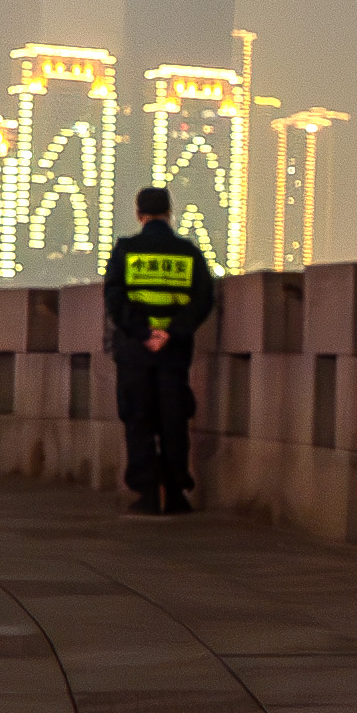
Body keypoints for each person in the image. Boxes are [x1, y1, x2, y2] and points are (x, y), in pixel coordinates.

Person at [100, 186, 218, 515]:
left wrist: (143, 332)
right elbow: (203, 299)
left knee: (138, 418)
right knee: (173, 419)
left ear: (139, 215)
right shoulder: (188, 253)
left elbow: (114, 299)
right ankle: (176, 492)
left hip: (135, 350)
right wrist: (170, 331)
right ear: (169, 214)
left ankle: (148, 493)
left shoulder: (126, 251)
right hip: (174, 351)